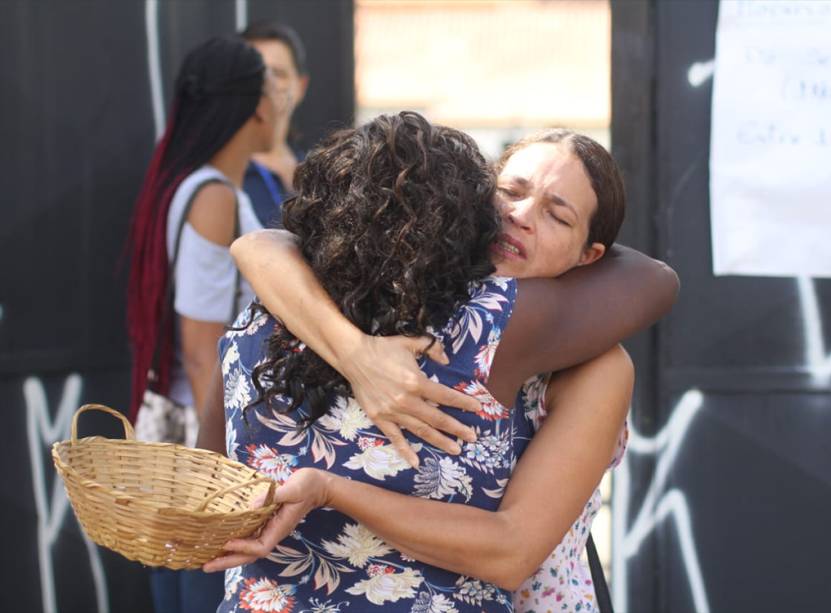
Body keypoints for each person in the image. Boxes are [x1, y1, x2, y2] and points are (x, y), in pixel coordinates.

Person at [201, 114, 677, 612]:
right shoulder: (387, 310)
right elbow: (260, 245)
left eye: (559, 216)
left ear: (591, 256)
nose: (522, 215)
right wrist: (356, 353)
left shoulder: (579, 357)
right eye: (509, 191)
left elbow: (259, 244)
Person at [125, 36, 281, 613]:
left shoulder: (191, 183)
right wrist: (219, 469)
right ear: (258, 105)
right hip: (203, 446)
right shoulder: (212, 195)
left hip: (185, 438)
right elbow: (200, 346)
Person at [240, 21, 309, 227]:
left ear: (301, 86)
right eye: (258, 72)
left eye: (278, 73)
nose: (267, 84)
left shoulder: (316, 170)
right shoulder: (225, 177)